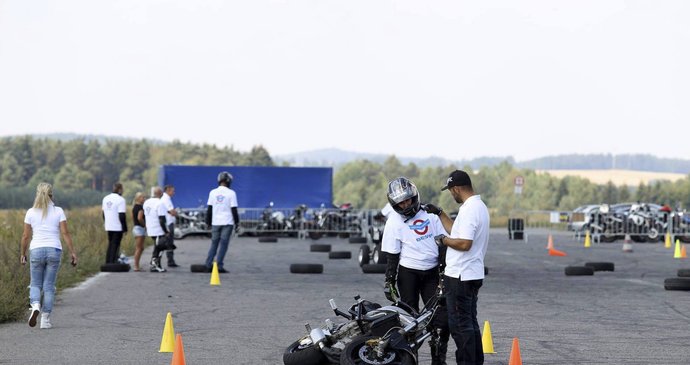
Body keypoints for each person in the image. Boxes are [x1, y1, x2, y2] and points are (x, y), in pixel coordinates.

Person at [381, 177, 450, 365]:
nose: (405, 205)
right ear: (394, 204)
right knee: (408, 322)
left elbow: (443, 245)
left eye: (408, 200)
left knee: (440, 321)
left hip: (432, 273)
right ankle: (410, 361)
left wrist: (443, 275)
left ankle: (438, 360)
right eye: (400, 203)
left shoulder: (430, 215)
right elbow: (393, 255)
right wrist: (389, 281)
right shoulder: (394, 222)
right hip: (408, 273)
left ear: (415, 196)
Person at [428, 170, 490, 365]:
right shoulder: (478, 206)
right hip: (471, 274)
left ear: (456, 188)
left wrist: (443, 240)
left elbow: (464, 243)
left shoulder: (470, 210)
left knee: (461, 327)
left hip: (460, 277)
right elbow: (457, 230)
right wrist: (439, 213)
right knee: (470, 324)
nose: (451, 194)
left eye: (450, 191)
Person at [20, 183, 78, 329]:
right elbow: (65, 233)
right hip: (54, 250)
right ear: (52, 195)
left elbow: (26, 236)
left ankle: (35, 305)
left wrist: (23, 254)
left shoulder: (30, 212)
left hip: (36, 250)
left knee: (35, 284)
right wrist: (73, 252)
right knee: (49, 286)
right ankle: (45, 320)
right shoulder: (58, 211)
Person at [204, 171, 239, 273]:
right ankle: (219, 265)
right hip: (227, 222)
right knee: (223, 244)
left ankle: (208, 263)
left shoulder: (212, 192)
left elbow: (209, 209)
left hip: (215, 222)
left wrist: (208, 222)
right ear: (229, 181)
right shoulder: (231, 193)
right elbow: (234, 210)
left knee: (214, 243)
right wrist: (237, 223)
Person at [143, 187, 172, 272]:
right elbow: (162, 219)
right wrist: (166, 231)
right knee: (159, 248)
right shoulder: (160, 203)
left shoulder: (146, 202)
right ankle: (155, 265)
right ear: (161, 193)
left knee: (157, 247)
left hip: (150, 228)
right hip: (158, 230)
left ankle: (154, 264)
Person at [102, 183, 127, 264]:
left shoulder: (105, 198)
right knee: (116, 244)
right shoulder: (121, 200)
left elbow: (103, 213)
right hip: (117, 226)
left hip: (108, 225)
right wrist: (124, 227)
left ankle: (108, 260)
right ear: (120, 189)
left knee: (110, 243)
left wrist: (106, 222)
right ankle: (113, 261)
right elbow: (122, 215)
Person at [160, 185, 179, 267]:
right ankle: (170, 261)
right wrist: (176, 213)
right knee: (169, 242)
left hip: (167, 222)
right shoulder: (166, 199)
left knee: (168, 242)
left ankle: (170, 260)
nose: (174, 193)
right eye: (173, 191)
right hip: (168, 223)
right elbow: (172, 212)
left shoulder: (165, 198)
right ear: (168, 190)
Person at [131, 192, 146, 271]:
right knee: (139, 248)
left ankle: (137, 265)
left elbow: (133, 217)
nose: (144, 199)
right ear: (138, 198)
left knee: (141, 248)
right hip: (140, 229)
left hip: (136, 227)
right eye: (143, 197)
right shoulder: (140, 208)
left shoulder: (134, 207)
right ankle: (136, 266)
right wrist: (144, 225)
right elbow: (140, 218)